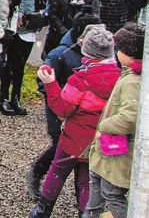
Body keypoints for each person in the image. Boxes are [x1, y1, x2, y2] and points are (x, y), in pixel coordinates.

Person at [31, 28, 120, 218]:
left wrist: (50, 83)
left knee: (58, 170)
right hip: (104, 140)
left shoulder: (80, 79)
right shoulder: (121, 78)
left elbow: (62, 108)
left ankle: (42, 211)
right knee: (87, 179)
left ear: (87, 51)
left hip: (75, 138)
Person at [28, 18, 103, 200]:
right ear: (81, 37)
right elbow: (43, 82)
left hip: (83, 113)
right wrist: (62, 100)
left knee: (83, 153)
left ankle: (81, 196)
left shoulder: (100, 55)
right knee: (59, 146)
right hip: (60, 107)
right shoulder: (60, 54)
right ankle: (37, 173)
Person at [84, 23, 143, 218]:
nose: (116, 53)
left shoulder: (133, 80)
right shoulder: (128, 75)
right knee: (99, 187)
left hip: (116, 149)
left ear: (130, 53)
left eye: (120, 50)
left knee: (112, 193)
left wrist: (105, 125)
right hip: (109, 148)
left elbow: (130, 117)